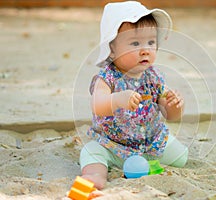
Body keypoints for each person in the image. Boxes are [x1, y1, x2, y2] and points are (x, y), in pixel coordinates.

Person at [80, 1, 188, 190]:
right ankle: (94, 176)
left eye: (151, 42)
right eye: (135, 43)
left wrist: (174, 106)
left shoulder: (154, 77)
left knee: (181, 157)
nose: (145, 49)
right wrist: (116, 100)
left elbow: (169, 114)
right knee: (91, 152)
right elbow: (97, 104)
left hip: (149, 143)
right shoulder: (107, 77)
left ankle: (143, 160)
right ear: (112, 49)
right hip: (111, 144)